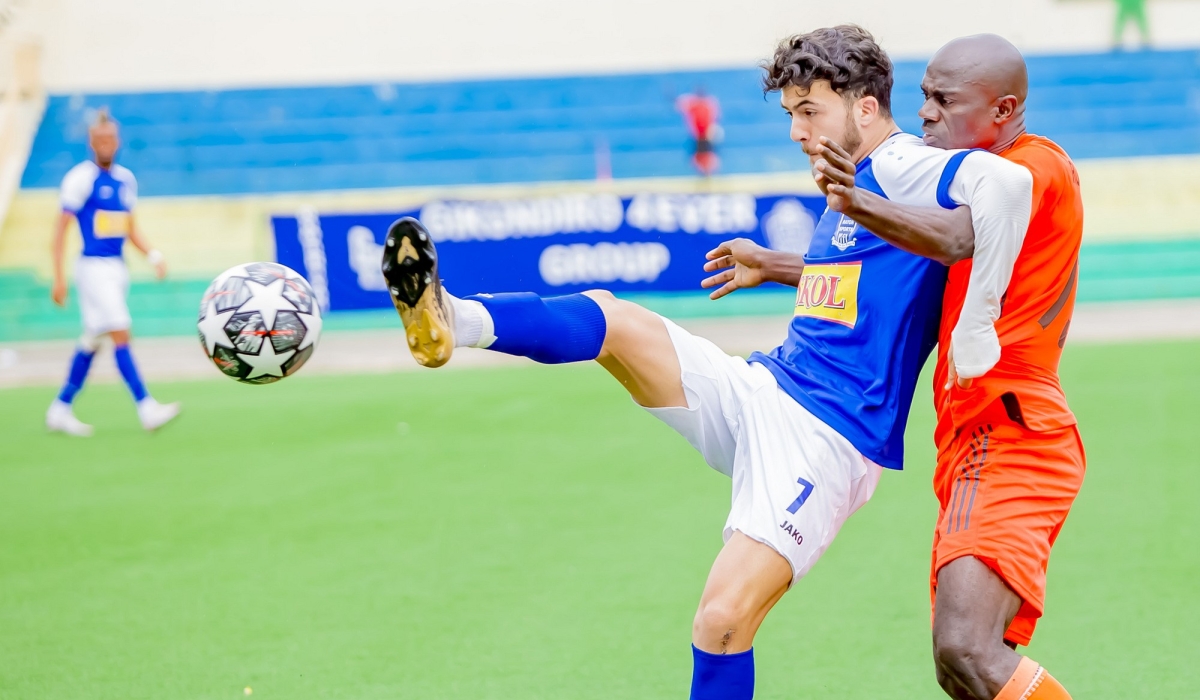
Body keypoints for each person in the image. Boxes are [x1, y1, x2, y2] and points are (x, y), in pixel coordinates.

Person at [381, 26, 1030, 700]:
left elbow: (1007, 187)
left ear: (865, 107)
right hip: (766, 387)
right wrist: (776, 265)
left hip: (827, 438)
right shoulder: (861, 173)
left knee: (722, 620)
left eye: (810, 112)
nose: (797, 131)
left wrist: (978, 322)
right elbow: (868, 278)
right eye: (791, 115)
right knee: (615, 319)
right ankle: (453, 321)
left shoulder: (901, 162)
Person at [809, 34, 1084, 700]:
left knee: (967, 648)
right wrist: (778, 267)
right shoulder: (969, 179)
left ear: (1003, 109)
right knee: (964, 668)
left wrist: (857, 198)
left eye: (943, 99)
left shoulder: (1031, 168)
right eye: (923, 94)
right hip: (973, 435)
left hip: (1011, 426)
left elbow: (961, 237)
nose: (925, 113)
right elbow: (909, 273)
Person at [46, 110, 180, 436]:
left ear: (117, 142)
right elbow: (61, 230)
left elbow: (129, 227)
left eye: (110, 138)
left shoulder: (125, 180)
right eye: (100, 139)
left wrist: (153, 255)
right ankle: (147, 407)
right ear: (92, 142)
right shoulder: (80, 179)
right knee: (121, 332)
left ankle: (60, 408)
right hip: (92, 268)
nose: (106, 144)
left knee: (92, 340)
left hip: (117, 268)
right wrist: (59, 277)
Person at [676, 89, 721, 176]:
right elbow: (681, 104)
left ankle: (709, 173)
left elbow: (713, 118)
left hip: (706, 135)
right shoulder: (695, 104)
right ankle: (704, 172)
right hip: (698, 136)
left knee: (708, 155)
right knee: (698, 156)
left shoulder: (708, 104)